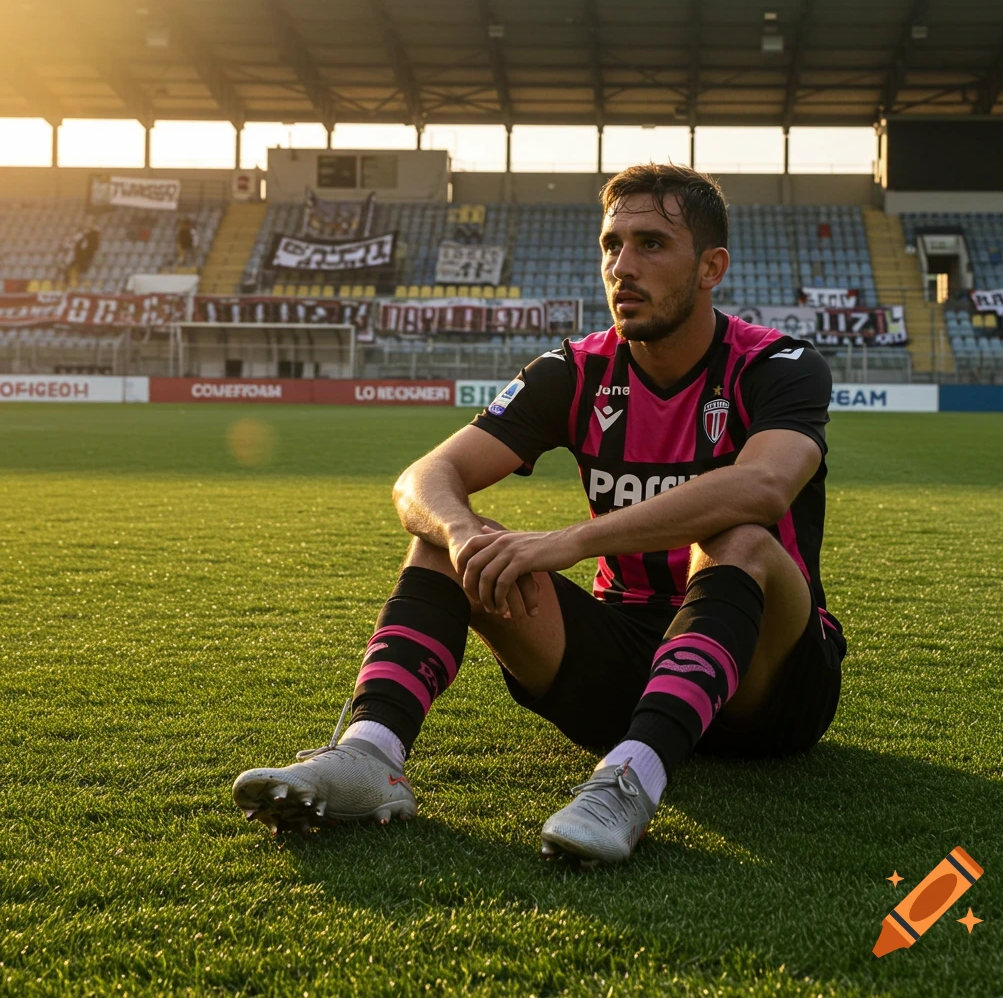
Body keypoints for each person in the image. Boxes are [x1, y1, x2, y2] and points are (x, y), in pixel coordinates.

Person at [232, 163, 847, 866]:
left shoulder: (778, 363)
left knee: (737, 538)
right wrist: (461, 533)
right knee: (447, 541)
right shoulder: (574, 370)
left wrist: (569, 542)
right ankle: (370, 755)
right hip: (623, 665)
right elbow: (422, 478)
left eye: (651, 244)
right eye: (612, 244)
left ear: (712, 267)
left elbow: (762, 488)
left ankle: (630, 780)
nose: (623, 266)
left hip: (769, 688)